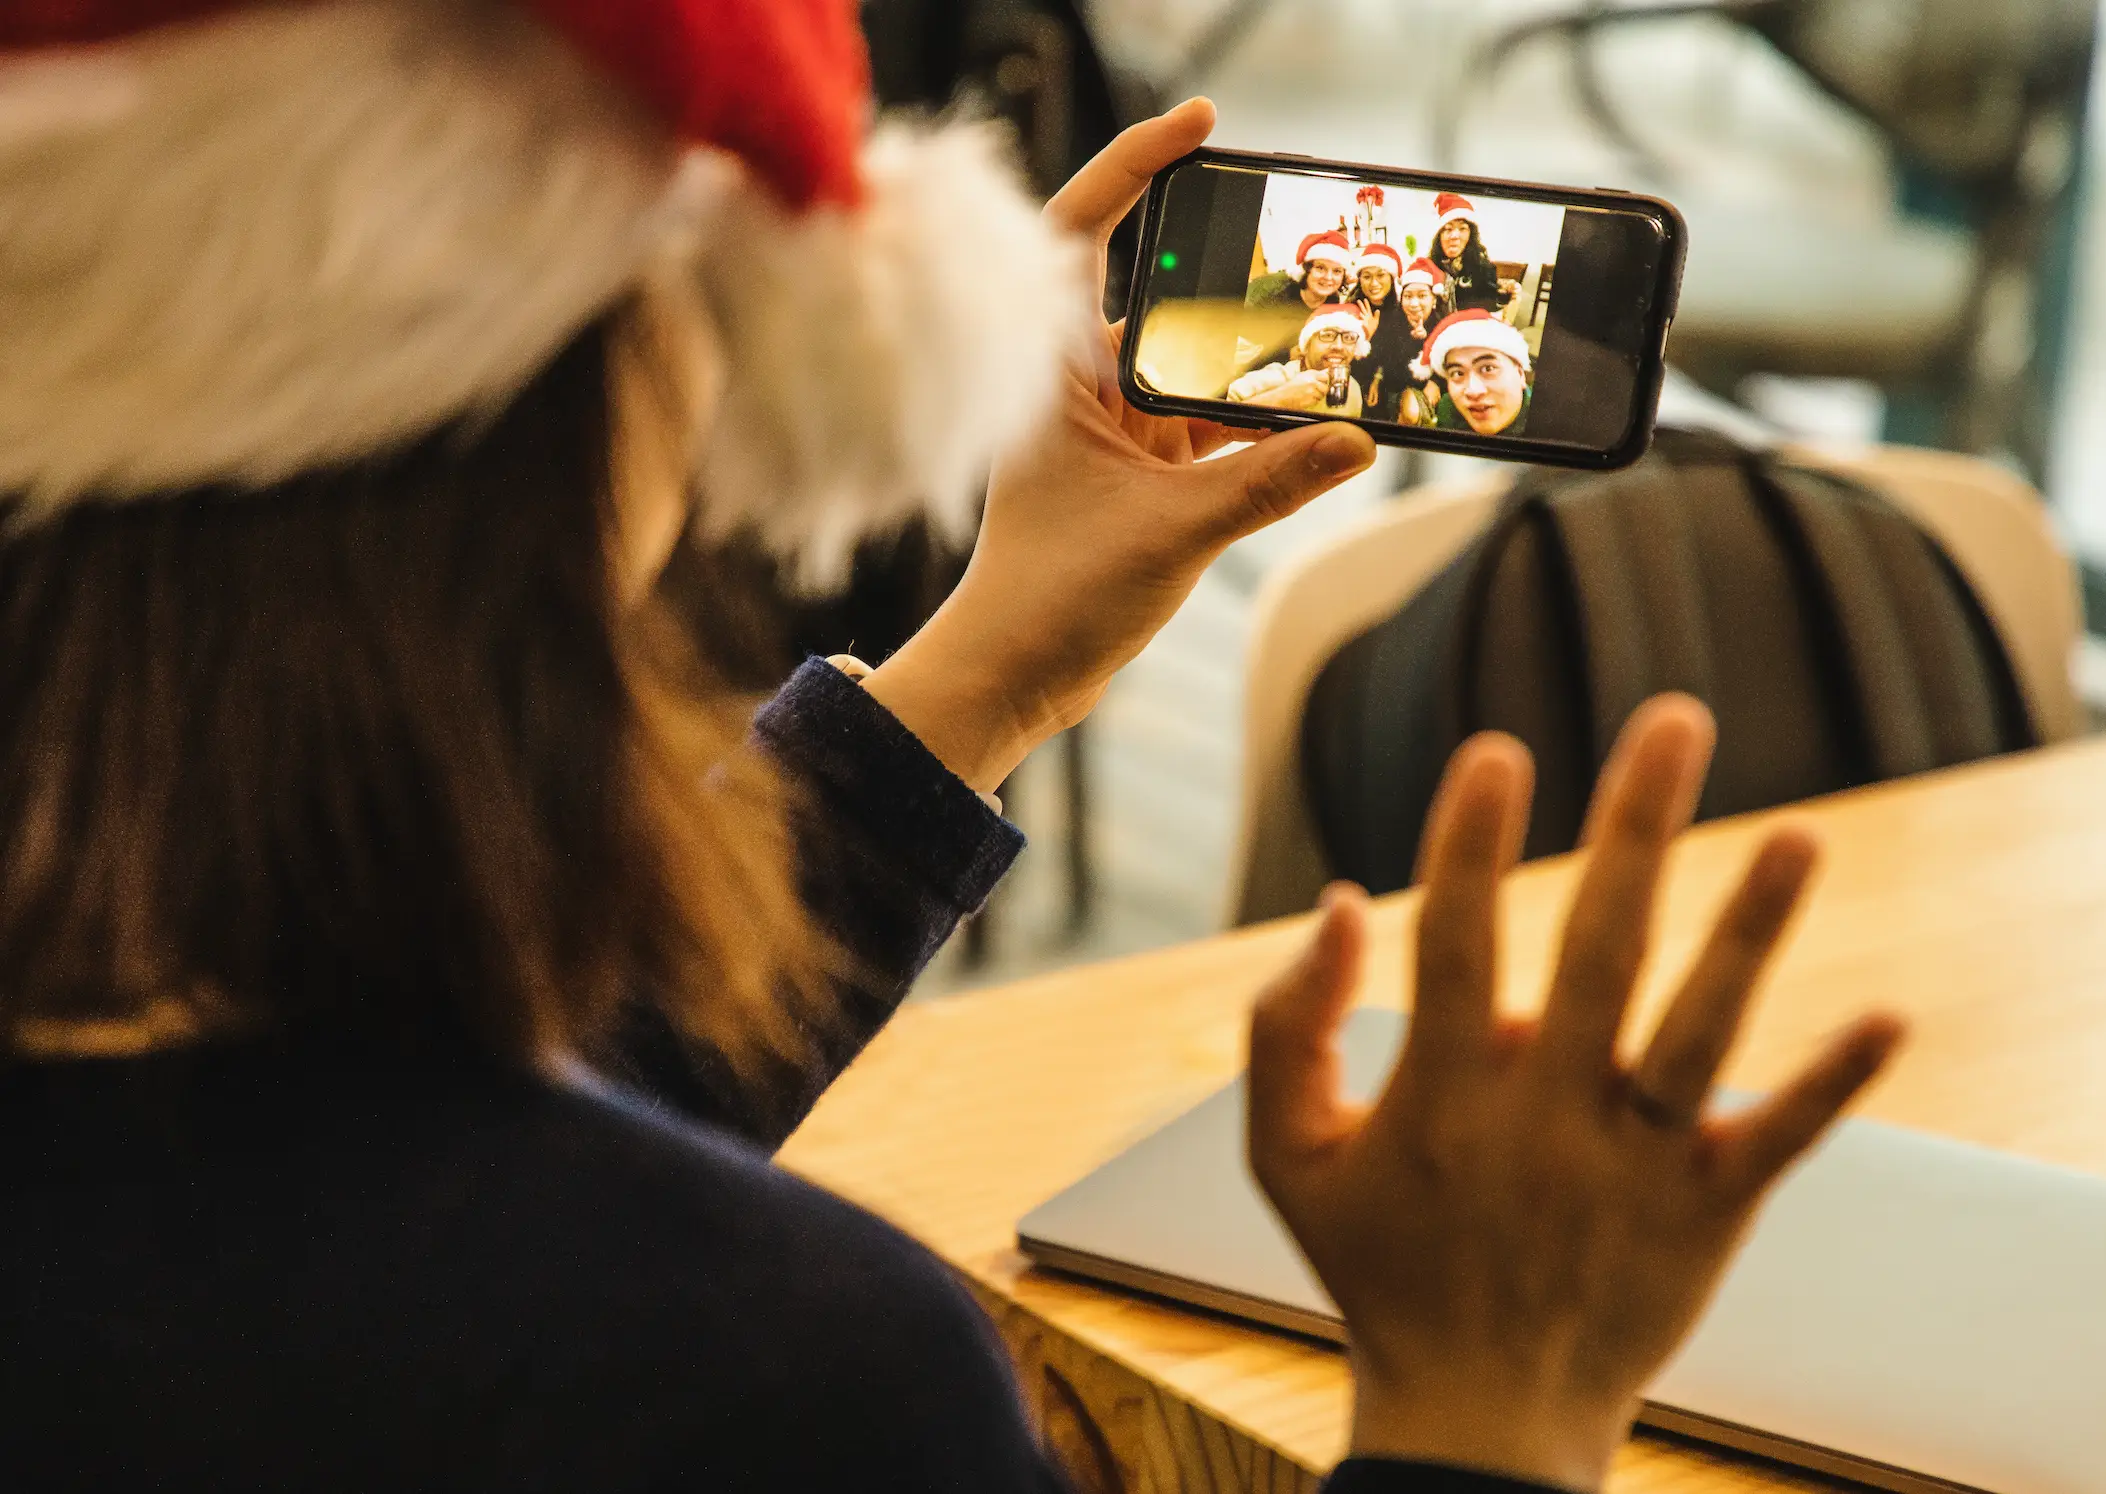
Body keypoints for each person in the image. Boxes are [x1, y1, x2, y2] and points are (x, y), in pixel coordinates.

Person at [0, 5, 1904, 1493]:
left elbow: (376, 1165)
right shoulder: (775, 1381)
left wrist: (979, 670)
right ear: (586, 387)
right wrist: (1487, 1406)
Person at [1240, 229, 1352, 373]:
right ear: (1306, 269)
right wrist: (1287, 355)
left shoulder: (1332, 302)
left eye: (1337, 271)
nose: (1328, 277)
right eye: (1320, 268)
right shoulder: (1271, 296)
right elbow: (1242, 356)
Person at [1228, 305, 1370, 416]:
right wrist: (1282, 398)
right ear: (1306, 345)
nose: (1338, 346)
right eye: (1327, 335)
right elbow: (1221, 413)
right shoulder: (1278, 377)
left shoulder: (1353, 390)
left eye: (1349, 338)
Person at [1416, 308, 1535, 435]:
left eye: (1488, 369)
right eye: (1458, 373)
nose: (1473, 391)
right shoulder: (1449, 409)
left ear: (1520, 374)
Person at [1346, 241, 1419, 422]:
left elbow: (1399, 359)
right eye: (1367, 276)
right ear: (1359, 279)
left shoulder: (1402, 309)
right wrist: (1366, 336)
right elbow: (1347, 360)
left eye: (1381, 275)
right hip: (1355, 380)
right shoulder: (1350, 309)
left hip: (1391, 382)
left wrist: (1377, 379)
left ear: (1391, 278)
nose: (1374, 283)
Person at [1432, 191, 1507, 315]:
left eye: (1462, 229)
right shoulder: (1430, 267)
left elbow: (1488, 311)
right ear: (1439, 236)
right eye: (1448, 229)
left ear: (1470, 235)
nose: (1454, 236)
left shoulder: (1483, 269)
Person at [1393, 256, 1447, 425]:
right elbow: (1392, 373)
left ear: (1434, 301)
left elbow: (1452, 364)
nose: (1414, 303)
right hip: (1400, 390)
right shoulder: (1395, 323)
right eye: (1408, 296)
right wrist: (1414, 342)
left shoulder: (1445, 327)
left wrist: (1436, 382)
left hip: (1436, 392)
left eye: (1422, 295)